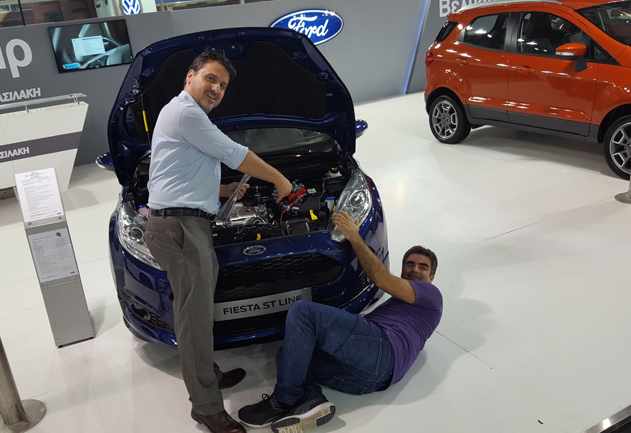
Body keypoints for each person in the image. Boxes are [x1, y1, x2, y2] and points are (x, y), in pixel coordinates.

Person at [145, 50, 293, 433]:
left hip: (184, 223)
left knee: (196, 313)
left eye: (223, 85)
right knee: (194, 320)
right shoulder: (187, 114)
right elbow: (234, 153)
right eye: (210, 78)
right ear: (189, 76)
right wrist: (280, 180)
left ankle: (206, 375)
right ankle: (206, 407)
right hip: (180, 227)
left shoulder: (181, 114)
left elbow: (184, 168)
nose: (216, 89)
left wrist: (221, 190)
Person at [238, 211, 443, 433]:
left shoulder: (432, 294)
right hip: (373, 380)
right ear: (403, 270)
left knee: (303, 311)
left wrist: (354, 237)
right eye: (410, 264)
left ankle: (283, 400)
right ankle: (312, 400)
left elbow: (381, 278)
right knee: (290, 354)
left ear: (431, 277)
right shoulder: (403, 305)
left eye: (423, 267)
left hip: (383, 349)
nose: (415, 269)